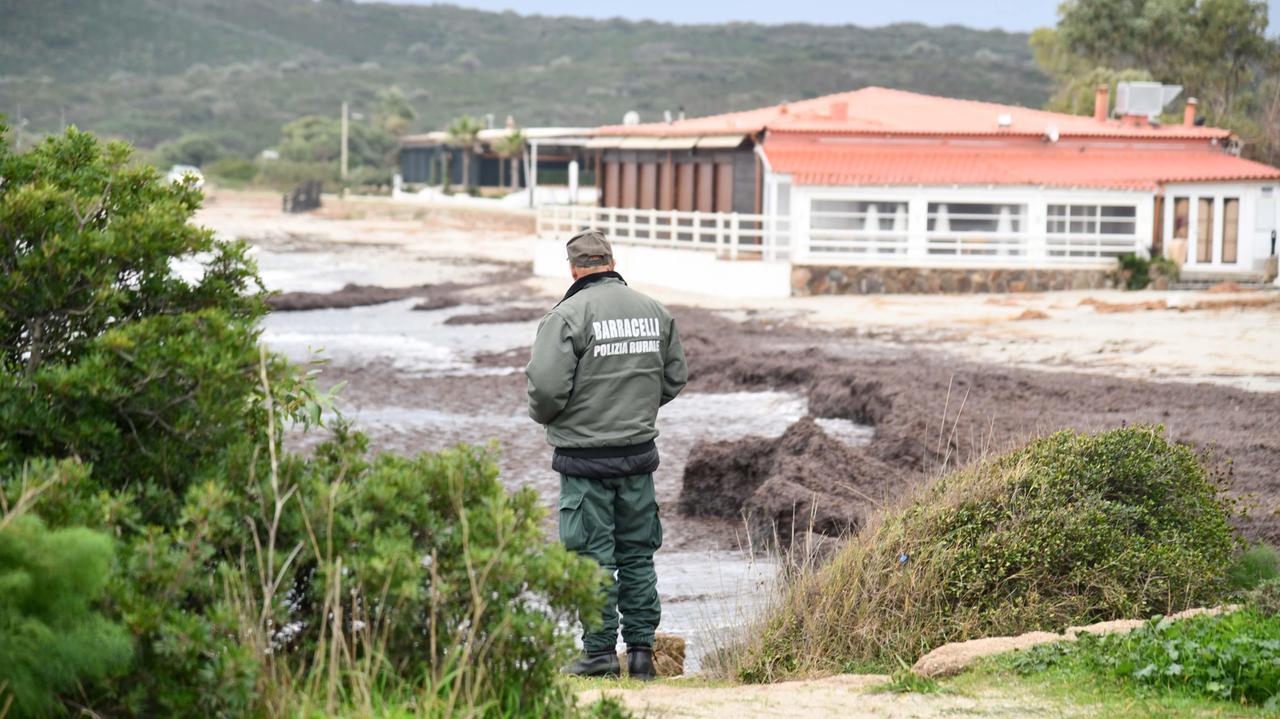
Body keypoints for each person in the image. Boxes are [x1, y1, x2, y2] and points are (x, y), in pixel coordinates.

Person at [526, 228, 688, 680]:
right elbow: (674, 377)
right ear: (611, 263)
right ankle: (640, 654)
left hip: (584, 462)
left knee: (592, 557)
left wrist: (566, 418)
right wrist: (635, 408)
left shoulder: (565, 317)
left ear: (574, 269)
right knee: (638, 554)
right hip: (638, 457)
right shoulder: (654, 311)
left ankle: (598, 654)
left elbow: (545, 390)